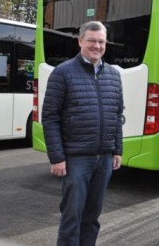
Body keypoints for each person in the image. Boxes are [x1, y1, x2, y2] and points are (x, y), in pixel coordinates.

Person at [42, 21, 124, 246]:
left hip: (104, 158)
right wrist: (57, 157)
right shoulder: (63, 72)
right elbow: (50, 117)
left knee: (92, 217)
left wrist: (117, 149)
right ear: (80, 41)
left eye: (101, 41)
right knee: (72, 218)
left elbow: (117, 115)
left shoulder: (114, 75)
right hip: (76, 159)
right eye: (92, 41)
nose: (97, 46)